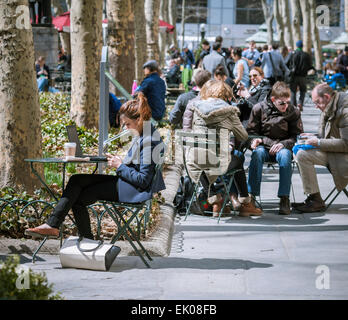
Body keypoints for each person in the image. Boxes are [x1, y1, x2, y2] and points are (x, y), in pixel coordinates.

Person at [25, 93, 166, 239]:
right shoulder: (145, 133)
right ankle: (54, 226)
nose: (125, 128)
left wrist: (119, 166)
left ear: (139, 120)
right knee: (76, 180)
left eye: (127, 124)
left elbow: (143, 180)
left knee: (78, 198)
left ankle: (65, 231)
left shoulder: (149, 141)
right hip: (128, 184)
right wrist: (120, 162)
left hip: (134, 191)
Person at [185, 80, 262, 217]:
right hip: (219, 162)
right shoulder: (229, 111)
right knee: (238, 158)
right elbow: (243, 136)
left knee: (200, 160)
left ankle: (215, 200)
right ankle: (245, 202)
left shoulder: (195, 109)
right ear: (225, 96)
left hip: (194, 160)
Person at [247, 81, 303, 215]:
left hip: (283, 146)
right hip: (263, 147)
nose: (285, 106)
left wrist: (283, 144)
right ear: (273, 100)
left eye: (287, 102)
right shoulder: (259, 108)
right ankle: (251, 197)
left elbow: (297, 136)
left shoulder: (293, 111)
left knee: (285, 156)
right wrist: (255, 140)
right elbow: (251, 133)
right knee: (257, 154)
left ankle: (284, 198)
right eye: (282, 103)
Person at [293, 84, 348, 213]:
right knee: (300, 152)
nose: (316, 106)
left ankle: (315, 200)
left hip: (343, 156)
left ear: (327, 97)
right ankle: (314, 197)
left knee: (303, 155)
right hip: (334, 152)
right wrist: (314, 136)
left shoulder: (344, 111)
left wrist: (318, 142)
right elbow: (329, 135)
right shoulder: (329, 106)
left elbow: (346, 144)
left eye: (317, 102)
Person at [288, 40, 315, 112]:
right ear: (302, 46)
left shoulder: (293, 54)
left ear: (296, 46)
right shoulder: (306, 55)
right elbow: (310, 66)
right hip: (303, 76)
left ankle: (293, 105)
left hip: (294, 76)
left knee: (293, 91)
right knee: (303, 90)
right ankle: (300, 103)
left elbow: (288, 64)